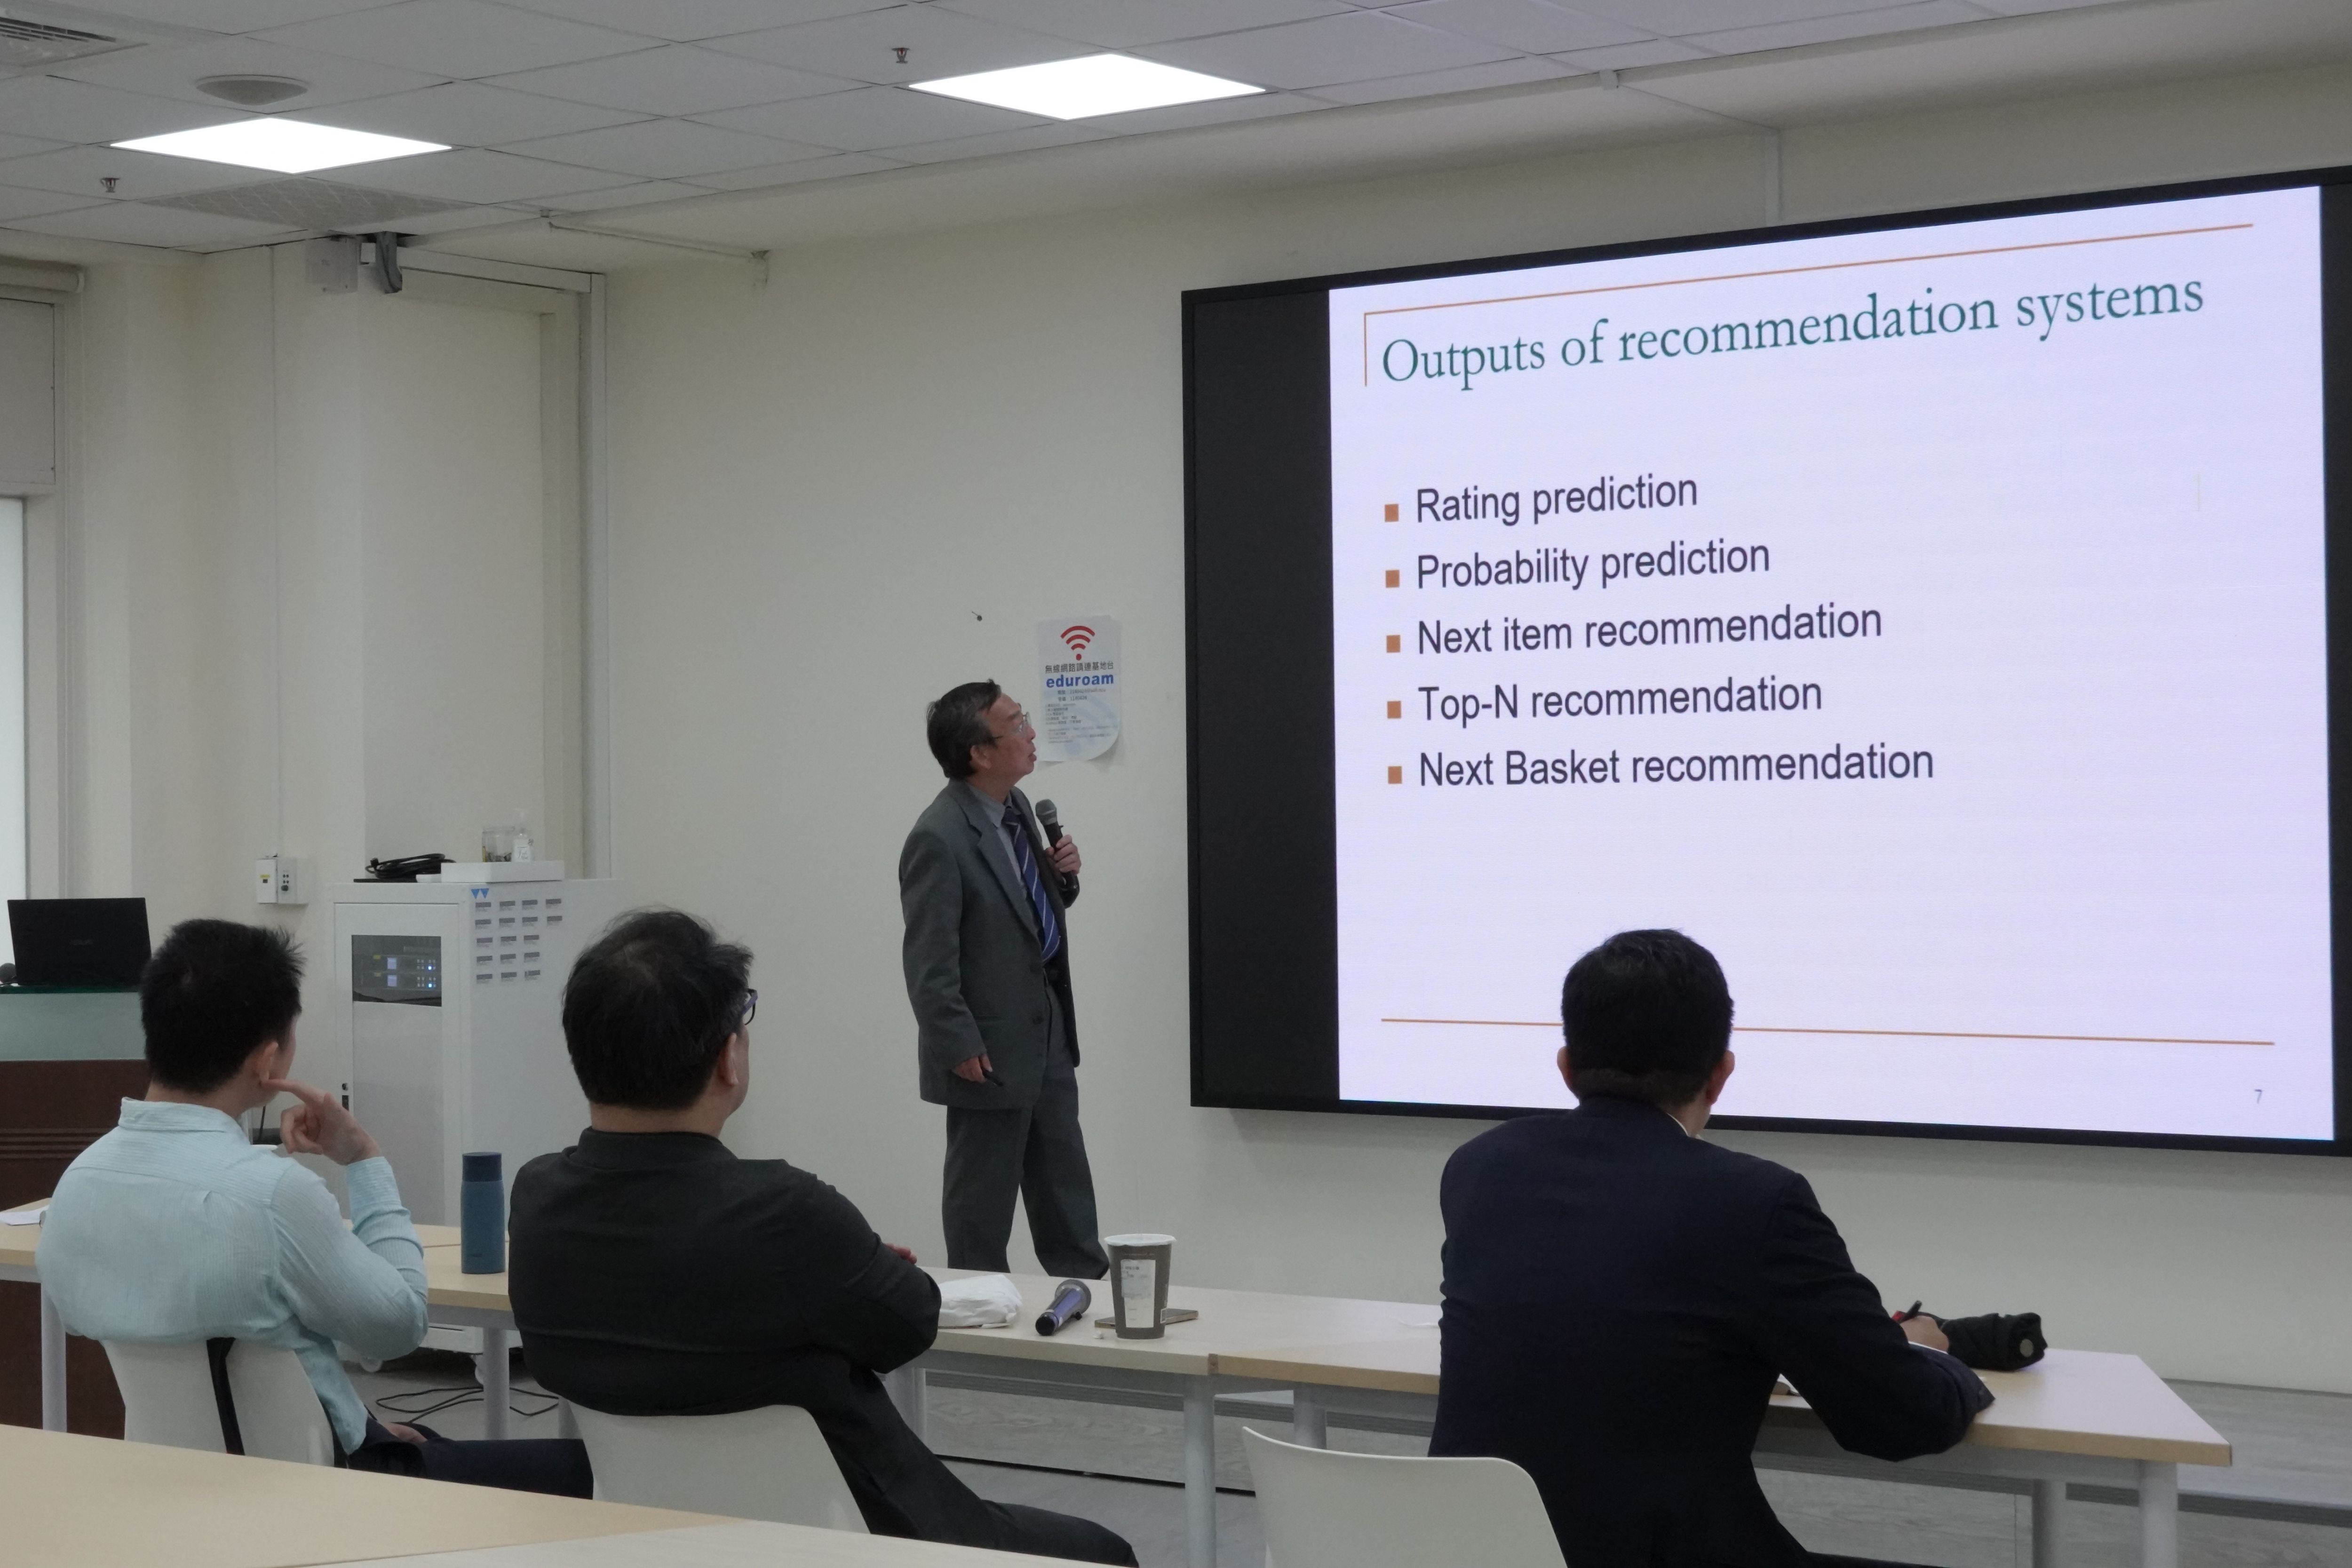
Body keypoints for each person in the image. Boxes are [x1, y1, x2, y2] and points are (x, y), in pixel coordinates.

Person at [508, 910, 1135, 1566]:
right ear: (727, 1059)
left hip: (657, 1536)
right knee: (1102, 1551)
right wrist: (852, 1263)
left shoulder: (538, 1200)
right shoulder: (786, 1214)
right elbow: (908, 1323)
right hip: (865, 1533)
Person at [1429, 929, 1992, 1568]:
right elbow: (1903, 1420)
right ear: (1720, 1075)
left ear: (1565, 1067)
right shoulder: (1755, 1201)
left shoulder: (1479, 1169)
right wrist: (1934, 1351)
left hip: (1477, 1553)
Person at [40, 919, 589, 1494]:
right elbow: (398, 1327)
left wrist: (350, 1419)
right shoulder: (272, 1195)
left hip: (176, 1485)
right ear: (268, 1062)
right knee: (587, 1472)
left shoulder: (78, 1185)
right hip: (322, 1490)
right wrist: (365, 1159)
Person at [899, 680, 1106, 1278]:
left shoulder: (1015, 809)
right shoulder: (938, 837)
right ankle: (977, 1304)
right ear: (979, 754)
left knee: (1064, 1182)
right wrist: (958, 1045)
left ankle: (1081, 1293)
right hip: (985, 1051)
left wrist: (1059, 881)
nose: (1031, 733)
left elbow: (1018, 917)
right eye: (1015, 725)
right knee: (981, 1204)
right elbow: (928, 962)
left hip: (1045, 1029)